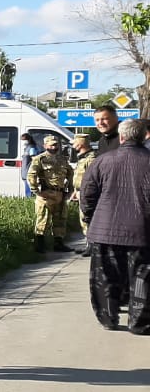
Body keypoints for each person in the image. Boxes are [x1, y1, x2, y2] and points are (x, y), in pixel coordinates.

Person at [80, 119, 150, 333]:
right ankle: (139, 322)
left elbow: (87, 195)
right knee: (142, 276)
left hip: (105, 230)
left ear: (121, 137)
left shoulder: (102, 161)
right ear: (143, 136)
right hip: (143, 231)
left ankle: (108, 318)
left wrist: (92, 219)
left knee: (105, 275)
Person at [26, 135, 74, 253]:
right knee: (43, 219)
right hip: (46, 195)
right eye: (51, 145)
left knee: (60, 219)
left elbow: (70, 174)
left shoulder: (62, 159)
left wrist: (70, 190)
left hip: (59, 194)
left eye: (56, 144)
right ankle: (39, 245)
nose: (54, 147)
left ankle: (58, 243)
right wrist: (36, 191)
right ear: (45, 146)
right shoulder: (39, 159)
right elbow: (31, 175)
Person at [69, 135, 96, 256]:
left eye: (74, 143)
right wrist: (75, 191)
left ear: (80, 144)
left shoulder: (91, 158)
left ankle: (92, 246)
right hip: (81, 191)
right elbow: (80, 177)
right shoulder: (82, 158)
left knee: (88, 219)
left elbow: (92, 178)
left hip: (88, 193)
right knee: (83, 220)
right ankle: (88, 245)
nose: (72, 145)